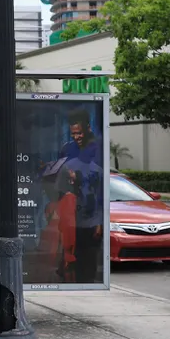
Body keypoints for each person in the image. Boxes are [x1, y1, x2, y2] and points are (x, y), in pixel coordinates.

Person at [60, 109, 103, 283]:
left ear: (88, 128)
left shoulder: (98, 149)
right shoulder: (68, 149)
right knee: (74, 258)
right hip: (73, 217)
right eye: (73, 134)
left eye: (79, 133)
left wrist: (100, 220)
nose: (76, 137)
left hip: (90, 217)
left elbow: (99, 190)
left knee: (89, 259)